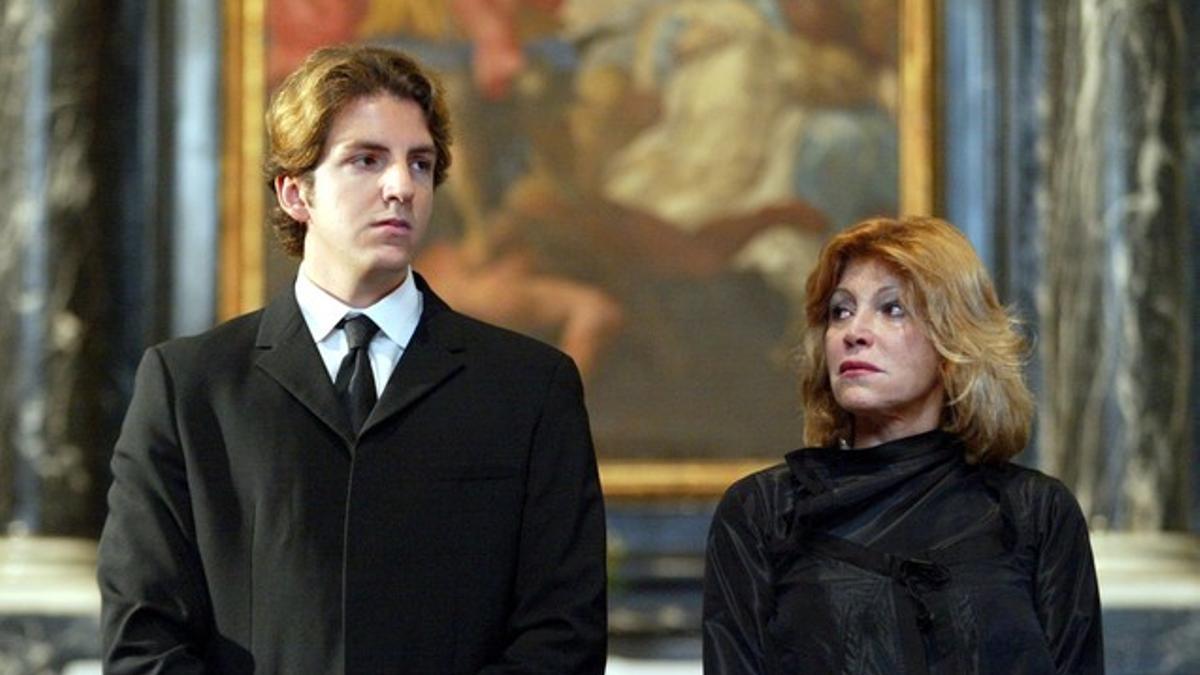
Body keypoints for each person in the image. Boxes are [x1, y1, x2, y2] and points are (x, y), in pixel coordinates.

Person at [97, 45, 607, 674]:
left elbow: (562, 640)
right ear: (295, 194)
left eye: (419, 164)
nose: (401, 187)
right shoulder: (190, 387)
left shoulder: (531, 387)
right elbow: (145, 641)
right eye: (367, 160)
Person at [703, 216, 1104, 674]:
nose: (855, 331)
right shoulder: (763, 513)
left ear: (953, 342)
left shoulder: (1035, 513)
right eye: (841, 310)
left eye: (893, 309)